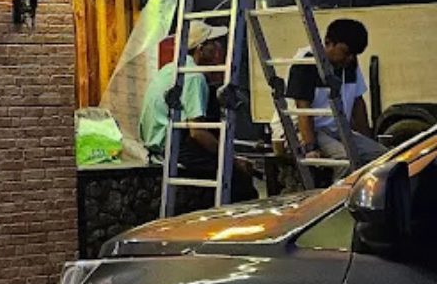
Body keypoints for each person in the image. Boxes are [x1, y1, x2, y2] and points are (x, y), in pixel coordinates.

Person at [140, 21, 257, 205]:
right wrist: (233, 160)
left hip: (158, 145)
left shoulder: (169, 69)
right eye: (213, 43)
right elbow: (198, 132)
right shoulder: (194, 76)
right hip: (174, 147)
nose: (218, 47)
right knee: (240, 183)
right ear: (201, 50)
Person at [281, 18, 385, 170]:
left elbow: (358, 104)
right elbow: (303, 111)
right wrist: (310, 148)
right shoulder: (306, 63)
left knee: (383, 157)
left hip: (337, 130)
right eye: (346, 52)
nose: (350, 58)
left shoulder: (348, 63)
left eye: (354, 54)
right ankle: (341, 186)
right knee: (346, 161)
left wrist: (368, 139)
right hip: (307, 129)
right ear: (328, 43)